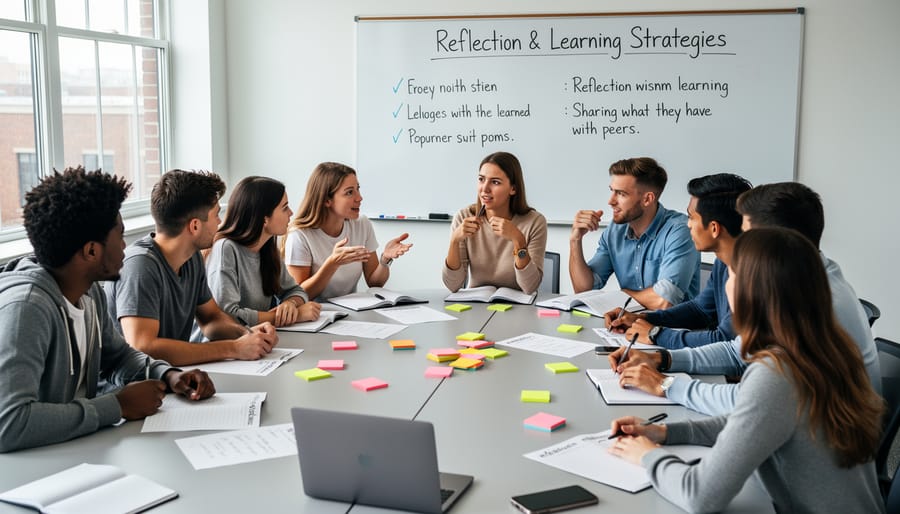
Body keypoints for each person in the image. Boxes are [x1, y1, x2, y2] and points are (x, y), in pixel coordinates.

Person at [607, 227, 885, 514]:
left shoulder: (777, 372)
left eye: (732, 272)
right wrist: (665, 432)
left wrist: (647, 456)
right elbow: (749, 421)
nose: (726, 280)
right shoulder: (819, 346)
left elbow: (699, 496)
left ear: (752, 289)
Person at [609, 182, 881, 415]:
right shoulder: (803, 280)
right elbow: (739, 350)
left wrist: (664, 384)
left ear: (777, 242)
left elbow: (748, 404)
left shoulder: (813, 303)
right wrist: (664, 360)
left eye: (747, 234)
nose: (740, 245)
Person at [0, 167, 215, 453]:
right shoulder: (27, 310)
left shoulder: (88, 290)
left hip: (76, 450)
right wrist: (117, 406)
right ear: (91, 252)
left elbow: (118, 357)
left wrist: (169, 375)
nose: (126, 245)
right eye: (121, 235)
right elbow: (10, 423)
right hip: (29, 472)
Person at [105, 169, 279, 367]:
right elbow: (143, 346)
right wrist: (234, 348)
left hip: (173, 378)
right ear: (194, 226)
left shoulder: (192, 258)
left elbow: (211, 319)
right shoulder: (140, 266)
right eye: (215, 215)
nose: (220, 222)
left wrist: (248, 334)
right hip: (134, 388)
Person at [604, 173, 751, 349]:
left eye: (691, 217)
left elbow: (726, 340)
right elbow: (701, 310)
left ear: (714, 228)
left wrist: (655, 334)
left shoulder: (751, 272)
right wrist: (644, 318)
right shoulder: (723, 261)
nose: (688, 225)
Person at [569, 157, 699, 310]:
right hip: (627, 325)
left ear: (647, 199)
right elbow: (583, 290)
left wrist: (621, 296)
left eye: (621, 194)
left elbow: (664, 301)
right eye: (612, 191)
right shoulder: (615, 231)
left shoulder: (680, 230)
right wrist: (575, 240)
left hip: (675, 329)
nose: (611, 201)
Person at [284, 162, 412, 300]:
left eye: (358, 189)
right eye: (350, 192)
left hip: (349, 313)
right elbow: (297, 296)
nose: (359, 198)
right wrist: (332, 264)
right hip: (315, 315)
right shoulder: (300, 235)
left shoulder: (362, 224)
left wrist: (385, 260)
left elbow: (374, 283)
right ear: (327, 200)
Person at [206, 176, 321, 327]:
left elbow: (295, 290)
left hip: (256, 340)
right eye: (285, 207)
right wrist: (293, 316)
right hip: (224, 344)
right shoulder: (226, 249)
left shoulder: (267, 247)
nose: (291, 213)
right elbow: (227, 316)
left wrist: (290, 304)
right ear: (264, 219)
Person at [443, 151, 547, 294]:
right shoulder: (464, 217)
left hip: (518, 309)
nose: (484, 189)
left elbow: (530, 287)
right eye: (481, 179)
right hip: (476, 306)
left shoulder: (534, 222)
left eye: (495, 182)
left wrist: (518, 240)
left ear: (513, 188)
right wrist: (454, 241)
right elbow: (452, 285)